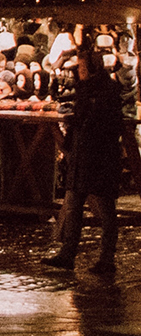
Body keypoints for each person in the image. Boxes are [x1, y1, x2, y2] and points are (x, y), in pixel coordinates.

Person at [45, 45, 129, 277]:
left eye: (81, 66)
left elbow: (104, 124)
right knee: (73, 205)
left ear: (91, 67)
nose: (78, 71)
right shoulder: (84, 90)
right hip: (83, 156)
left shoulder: (107, 91)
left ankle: (106, 259)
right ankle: (68, 253)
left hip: (100, 157)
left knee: (105, 209)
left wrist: (84, 124)